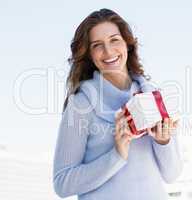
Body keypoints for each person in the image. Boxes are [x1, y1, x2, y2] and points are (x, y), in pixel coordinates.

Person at [53, 8, 183, 200]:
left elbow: (172, 175)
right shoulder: (81, 105)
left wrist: (163, 141)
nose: (108, 51)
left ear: (127, 44)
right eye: (97, 45)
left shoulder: (151, 97)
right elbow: (62, 183)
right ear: (89, 54)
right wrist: (117, 155)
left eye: (114, 40)